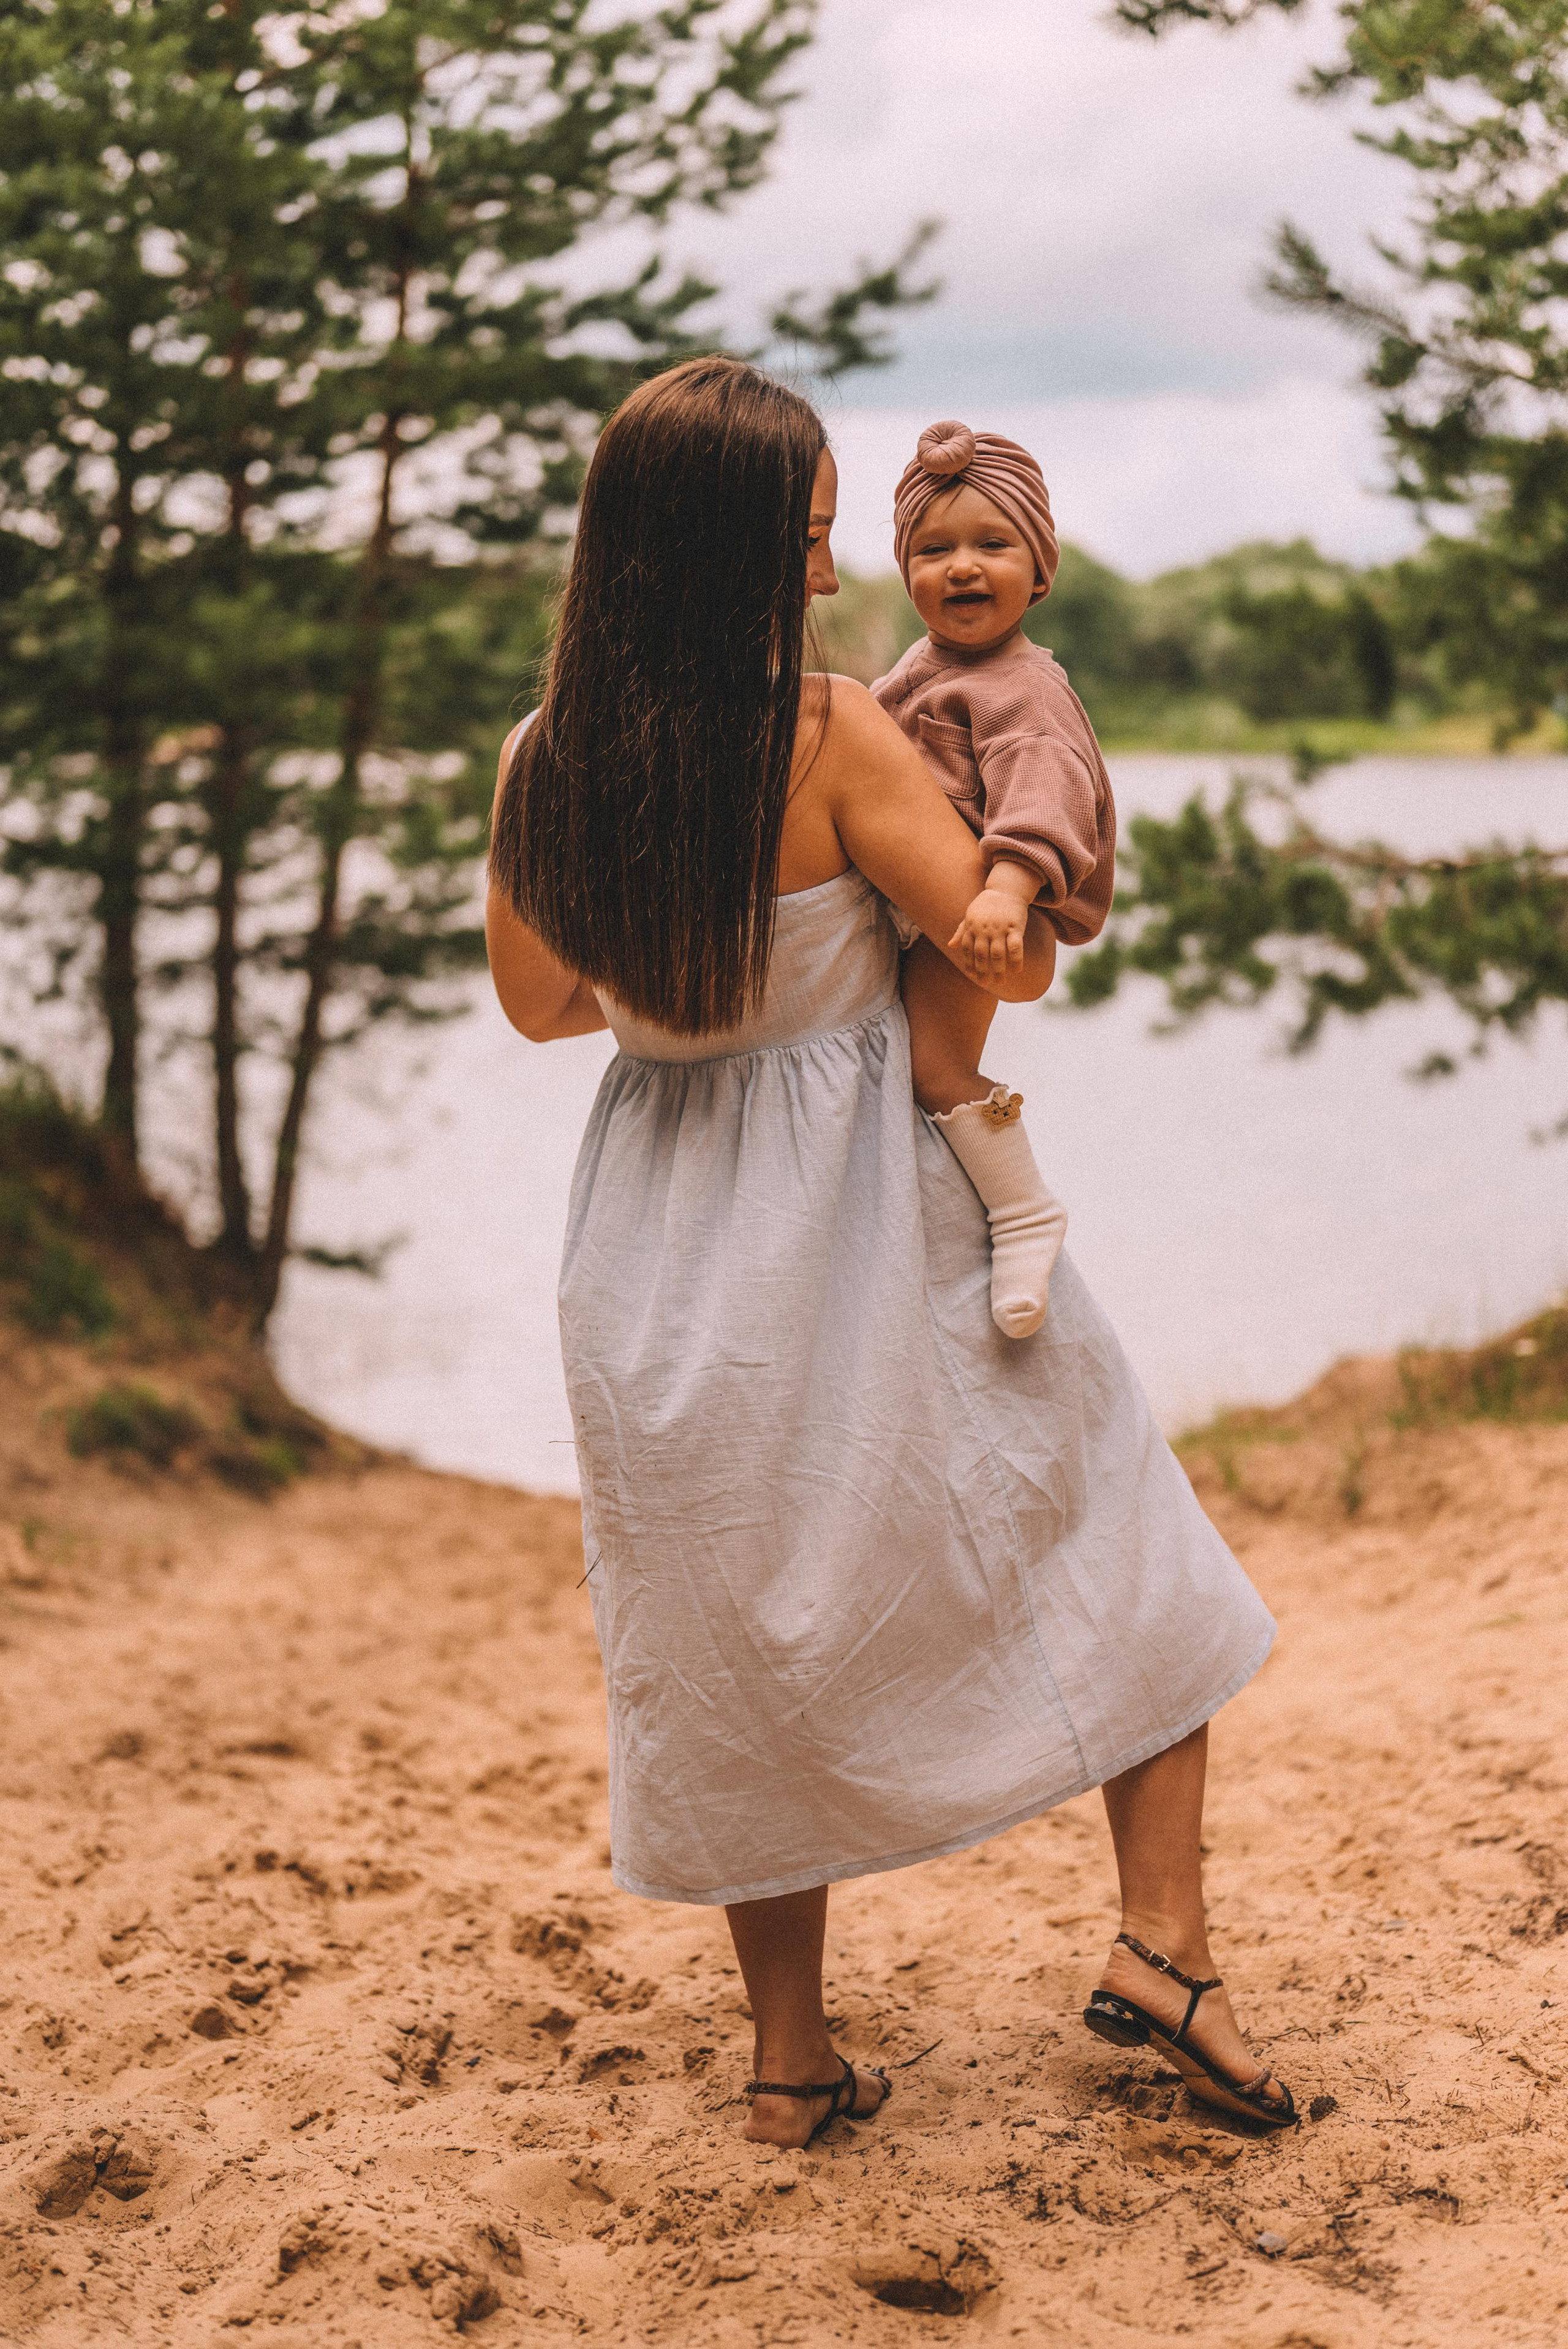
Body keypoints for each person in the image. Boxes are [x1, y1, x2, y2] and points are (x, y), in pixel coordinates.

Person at [486, 355, 1295, 2150]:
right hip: (866, 1199)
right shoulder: (832, 731)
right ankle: (1165, 1941)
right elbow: (1007, 958)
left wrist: (686, 963)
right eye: (813, 538)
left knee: (729, 1633)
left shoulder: (547, 758)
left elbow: (545, 1007)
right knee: (1113, 1520)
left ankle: (789, 2059)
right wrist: (1026, 864)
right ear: (734, 557)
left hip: (653, 1246)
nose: (834, 577)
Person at [873, 420, 1114, 1342]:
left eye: (992, 544)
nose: (962, 567)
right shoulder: (921, 668)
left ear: (1040, 569)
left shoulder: (1022, 688)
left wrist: (1005, 892)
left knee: (937, 1066)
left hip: (974, 914)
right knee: (883, 1068)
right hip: (910, 902)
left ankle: (1023, 1213)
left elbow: (1045, 796)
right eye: (934, 550)